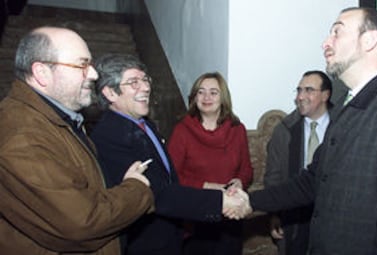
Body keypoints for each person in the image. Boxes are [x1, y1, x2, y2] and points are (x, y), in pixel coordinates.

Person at [227, 7, 377, 255]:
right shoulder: (347, 110)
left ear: (369, 40)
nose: (326, 42)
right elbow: (313, 180)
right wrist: (251, 201)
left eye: (337, 32)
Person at [0, 26, 154, 255]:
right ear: (42, 73)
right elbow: (83, 222)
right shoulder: (23, 137)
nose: (93, 74)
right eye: (82, 65)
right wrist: (136, 188)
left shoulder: (53, 118)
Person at [90, 54, 244, 255]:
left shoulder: (146, 124)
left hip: (170, 235)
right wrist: (219, 201)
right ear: (110, 92)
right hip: (144, 242)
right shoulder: (109, 136)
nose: (145, 87)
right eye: (133, 82)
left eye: (145, 80)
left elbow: (170, 178)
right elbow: (156, 193)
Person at [168, 72, 253, 255]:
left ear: (223, 98)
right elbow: (171, 177)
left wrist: (239, 181)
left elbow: (246, 169)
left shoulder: (237, 129)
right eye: (201, 92)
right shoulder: (182, 131)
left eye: (213, 92)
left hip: (230, 216)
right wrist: (207, 186)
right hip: (196, 218)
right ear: (194, 97)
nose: (207, 97)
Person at [264, 70, 333, 255]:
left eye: (309, 90)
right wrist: (274, 213)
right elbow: (273, 177)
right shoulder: (284, 131)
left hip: (332, 219)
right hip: (294, 219)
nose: (300, 96)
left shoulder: (342, 127)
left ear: (326, 95)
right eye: (299, 90)